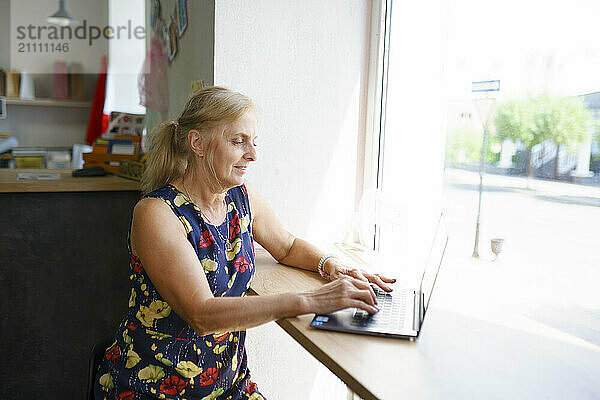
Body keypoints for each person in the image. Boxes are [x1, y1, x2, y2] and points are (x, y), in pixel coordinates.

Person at [94, 86, 395, 399]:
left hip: (229, 387)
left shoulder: (241, 197)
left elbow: (287, 245)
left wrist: (333, 266)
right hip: (153, 390)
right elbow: (202, 314)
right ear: (197, 143)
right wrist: (312, 300)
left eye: (253, 142)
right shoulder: (156, 213)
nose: (252, 154)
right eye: (238, 141)